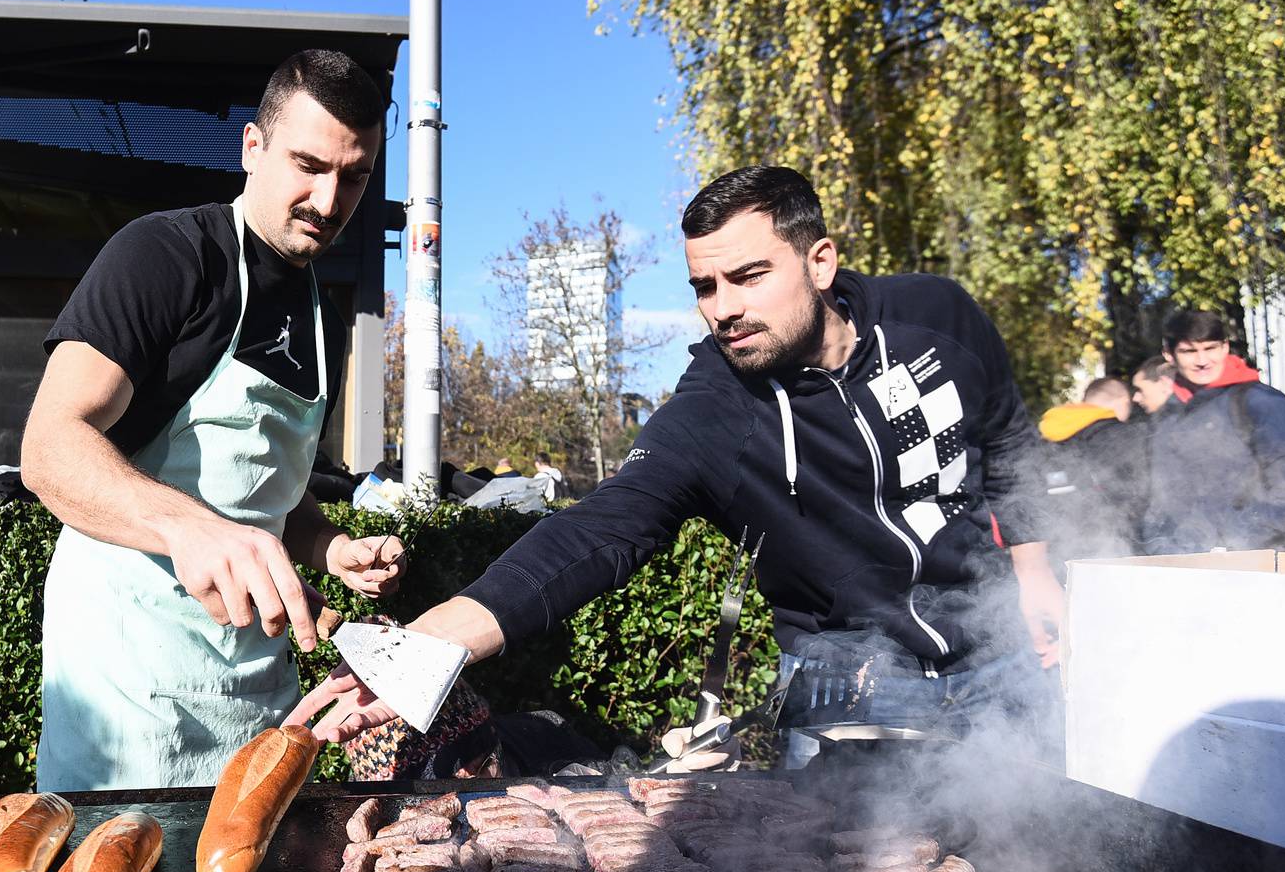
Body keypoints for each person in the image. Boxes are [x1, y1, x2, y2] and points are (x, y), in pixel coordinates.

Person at [292, 165, 1064, 767]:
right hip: (851, 689)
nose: (721, 306)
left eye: (749, 276)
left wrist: (1035, 573)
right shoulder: (714, 407)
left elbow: (1009, 443)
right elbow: (596, 532)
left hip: (1002, 655)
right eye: (703, 285)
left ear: (820, 261)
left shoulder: (941, 317)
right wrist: (427, 648)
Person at [21, 50, 408, 790]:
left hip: (261, 706)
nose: (329, 202)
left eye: (353, 175)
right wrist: (187, 527)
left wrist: (329, 546)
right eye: (308, 164)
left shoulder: (321, 317)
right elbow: (49, 448)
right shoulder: (165, 256)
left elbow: (267, 486)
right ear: (252, 149)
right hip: (128, 706)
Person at [1137, 309, 1285, 554]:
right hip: (1191, 563)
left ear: (1225, 347)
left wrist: (1240, 547)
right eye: (1189, 351)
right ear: (1169, 355)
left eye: (1211, 348)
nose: (1202, 360)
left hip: (1260, 559)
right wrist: (1159, 549)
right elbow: (1162, 501)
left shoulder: (1261, 402)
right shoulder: (1168, 419)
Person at [1036, 376, 1148, 568]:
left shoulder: (1046, 435)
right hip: (1113, 549)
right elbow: (1141, 495)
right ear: (1123, 401)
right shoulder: (1124, 436)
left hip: (1056, 551)